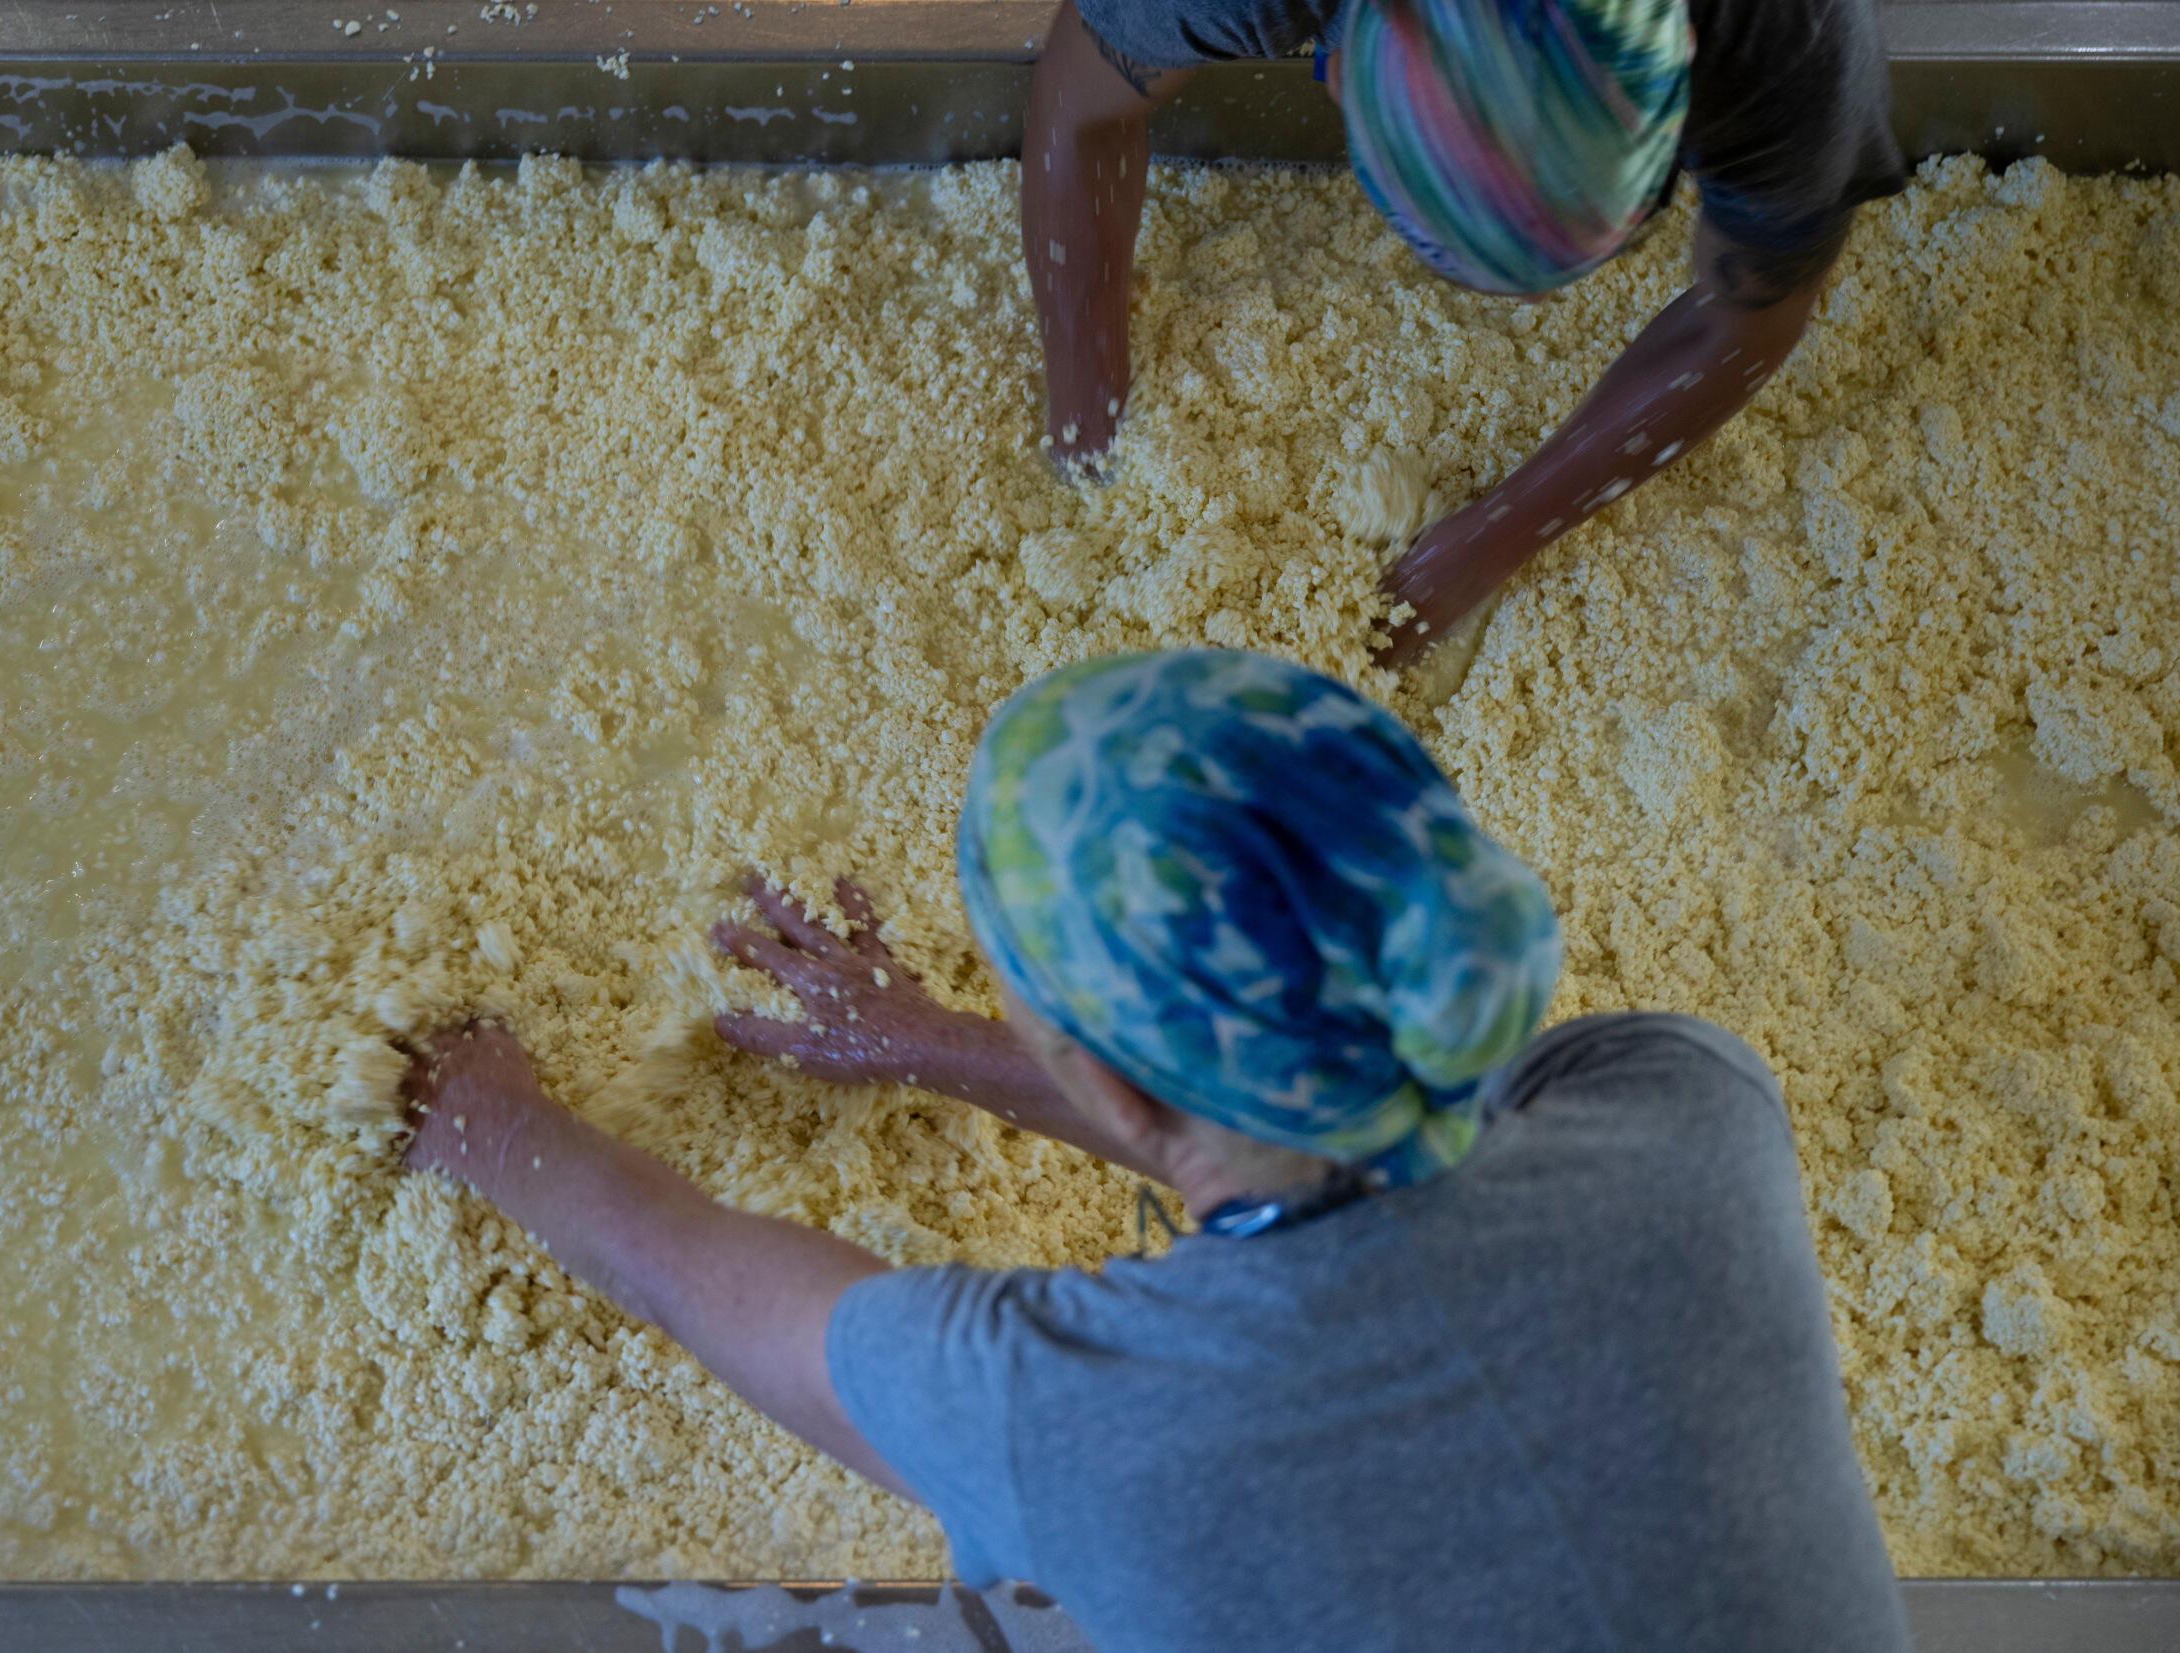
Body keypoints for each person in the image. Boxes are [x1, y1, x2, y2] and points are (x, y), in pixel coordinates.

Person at [398, 649, 1911, 1653]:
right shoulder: (1687, 1107)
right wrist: (928, 1039)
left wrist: (491, 1123)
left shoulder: (1093, 1420)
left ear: (1120, 1098)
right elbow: (1324, 1102)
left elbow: (702, 1281)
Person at [1021, 0, 1907, 663]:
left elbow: (1744, 317)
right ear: (1332, 71)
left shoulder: (1790, 54)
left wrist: (1493, 539)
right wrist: (1082, 381)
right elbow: (1083, 104)